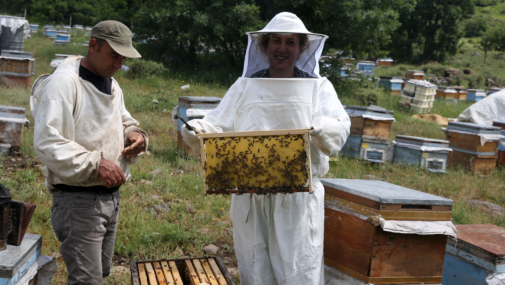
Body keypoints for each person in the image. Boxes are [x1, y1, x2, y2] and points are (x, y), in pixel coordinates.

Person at [181, 12, 350, 284]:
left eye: (291, 42)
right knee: (254, 268)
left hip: (298, 197)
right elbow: (218, 125)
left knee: (298, 272)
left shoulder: (319, 87)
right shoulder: (245, 86)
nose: (282, 48)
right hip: (250, 195)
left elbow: (341, 128)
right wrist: (199, 130)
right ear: (264, 45)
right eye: (276, 41)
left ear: (302, 48)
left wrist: (321, 126)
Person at [32, 20, 148, 285]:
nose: (119, 64)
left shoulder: (112, 83)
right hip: (78, 201)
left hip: (109, 198)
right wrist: (96, 163)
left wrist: (136, 135)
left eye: (123, 58)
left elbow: (123, 120)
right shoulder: (63, 84)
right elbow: (49, 142)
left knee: (99, 275)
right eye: (114, 55)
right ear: (93, 45)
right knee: (88, 281)